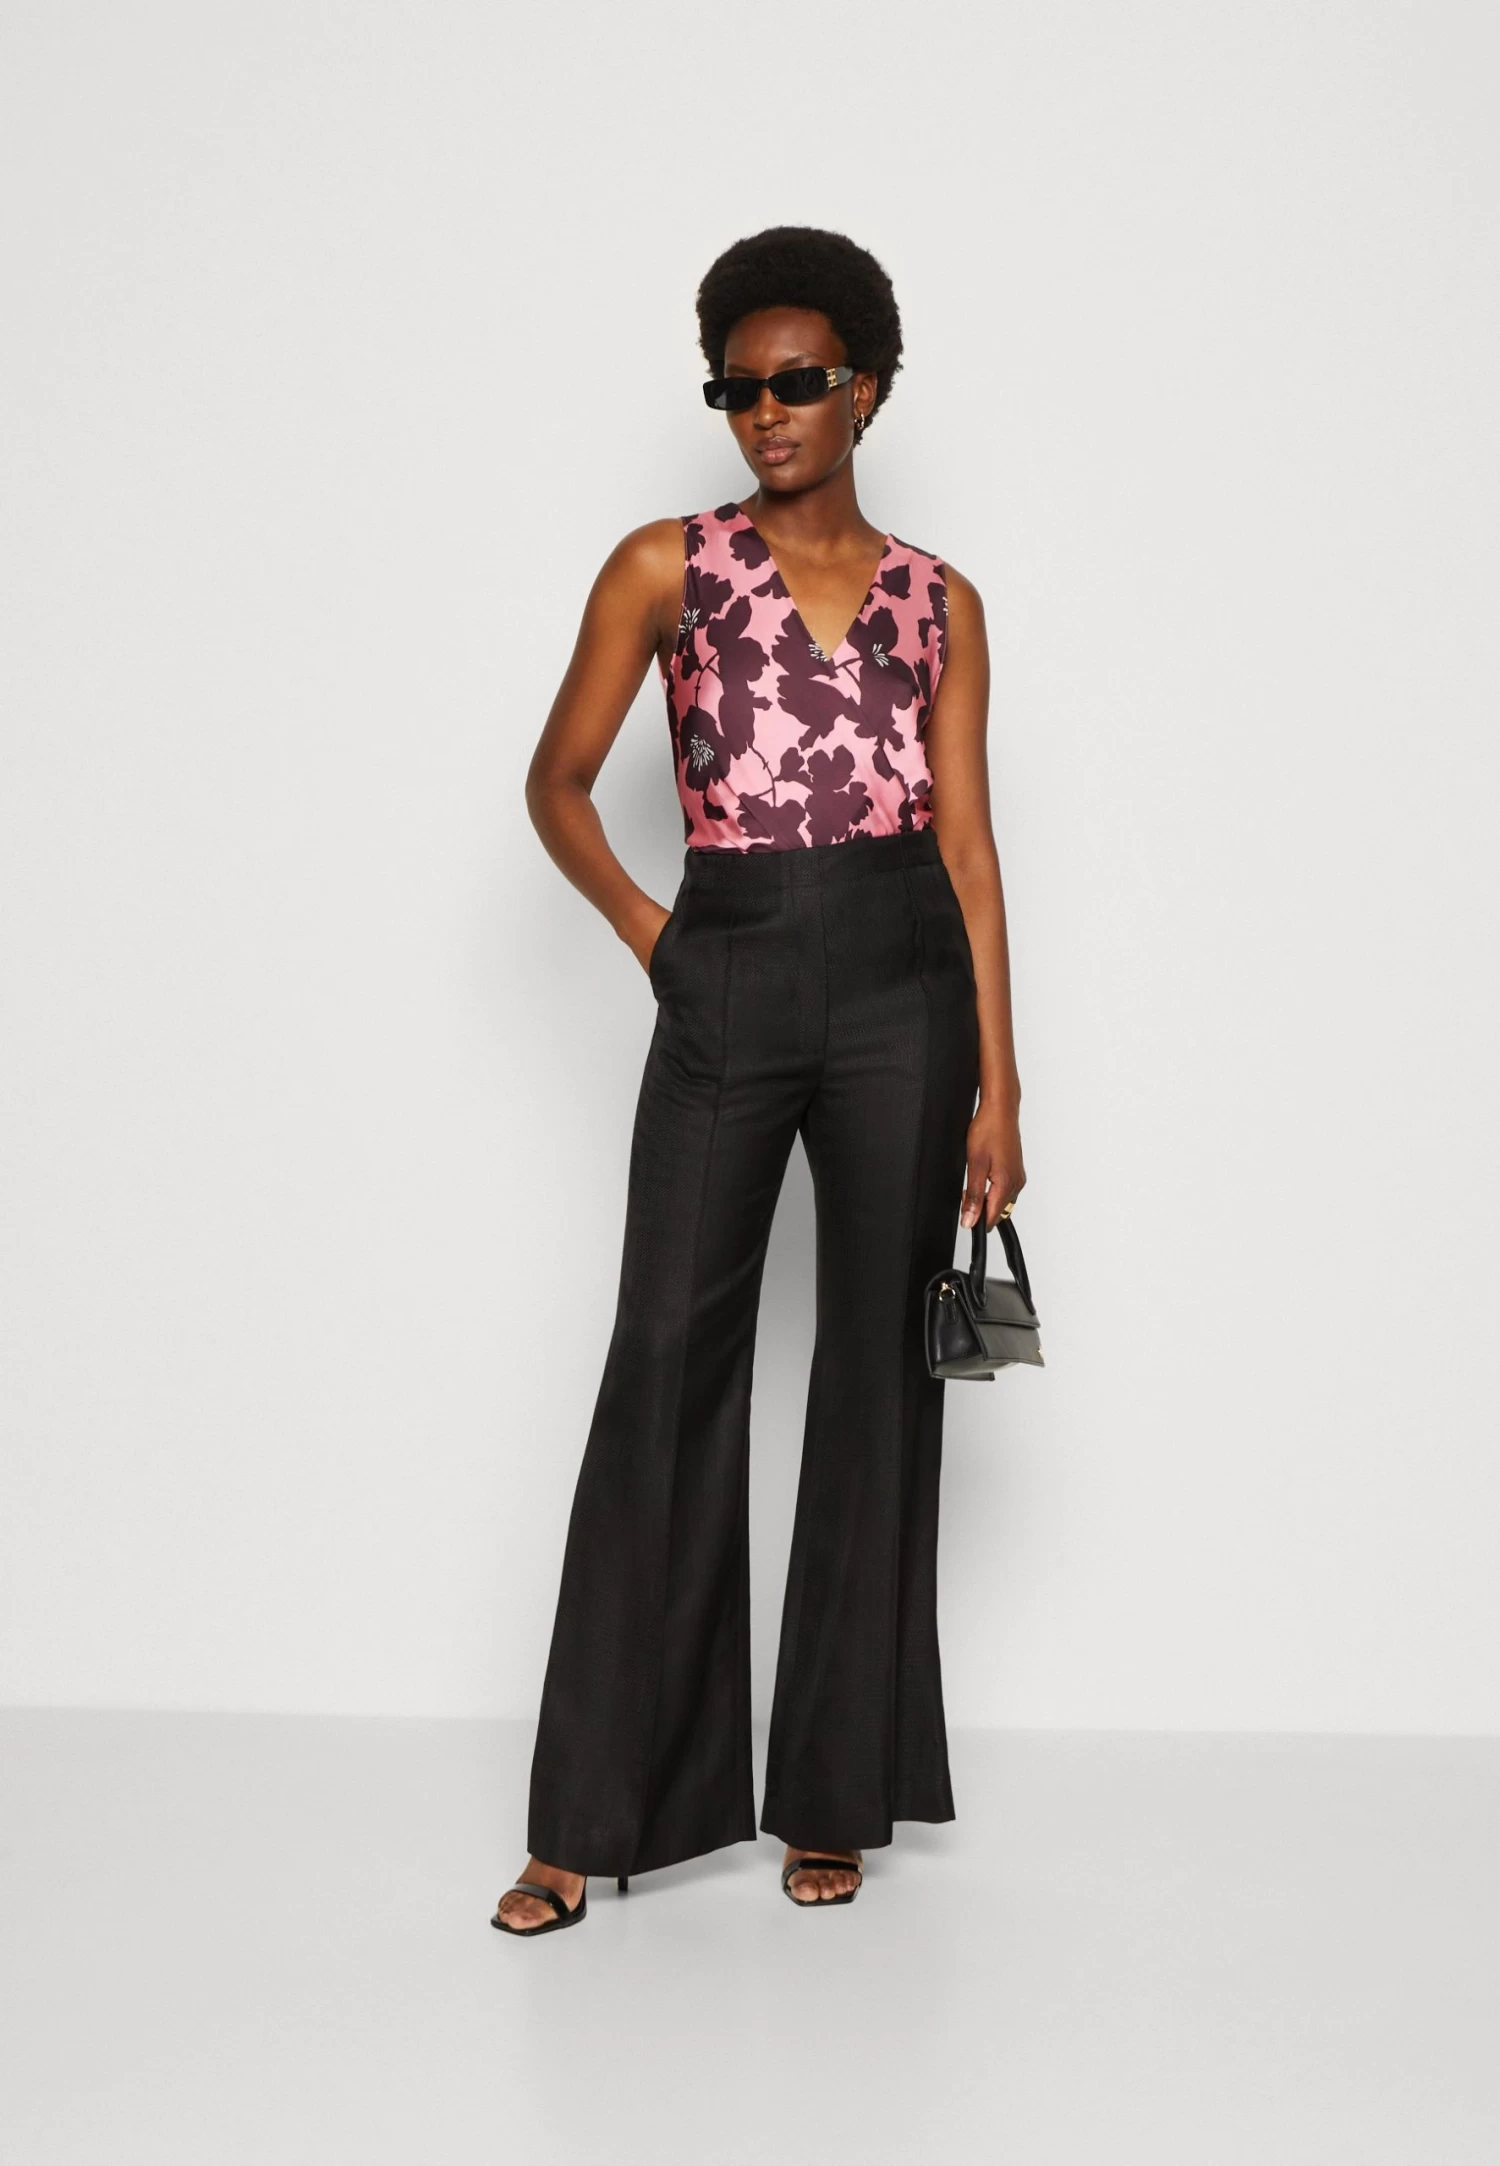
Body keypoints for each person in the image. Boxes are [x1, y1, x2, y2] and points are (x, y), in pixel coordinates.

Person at [492, 225, 1025, 1936]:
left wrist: (1002, 1087)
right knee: (666, 1354)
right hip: (724, 961)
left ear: (867, 387)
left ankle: (832, 1797)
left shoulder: (941, 598)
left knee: (877, 1372)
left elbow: (969, 848)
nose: (766, 411)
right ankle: (588, 1815)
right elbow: (558, 782)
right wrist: (658, 932)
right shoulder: (667, 565)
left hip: (902, 980)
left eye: (798, 381)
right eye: (737, 388)